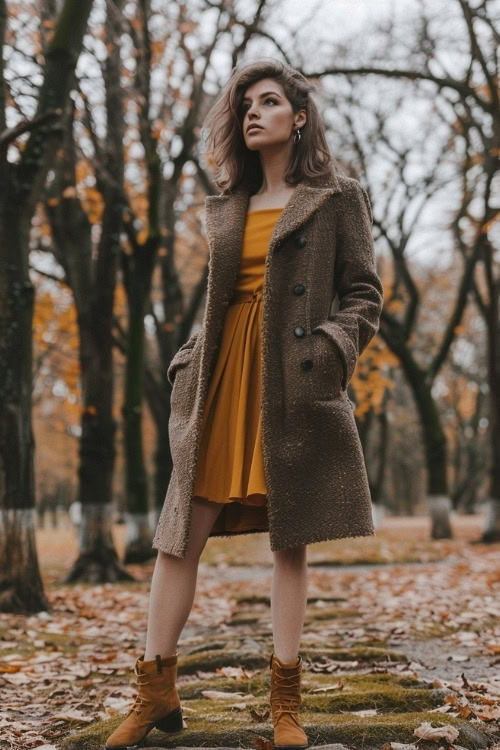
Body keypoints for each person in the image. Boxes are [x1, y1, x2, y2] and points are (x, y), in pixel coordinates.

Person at [105, 58, 384, 750]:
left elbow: (365, 295)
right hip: (221, 377)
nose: (252, 113)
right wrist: (187, 361)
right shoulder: (228, 204)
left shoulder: (336, 197)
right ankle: (154, 688)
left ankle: (284, 704)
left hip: (293, 378)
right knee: (181, 536)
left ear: (300, 116)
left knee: (289, 540)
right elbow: (219, 298)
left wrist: (330, 349)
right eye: (244, 105)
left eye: (268, 101)